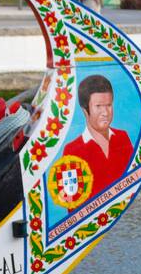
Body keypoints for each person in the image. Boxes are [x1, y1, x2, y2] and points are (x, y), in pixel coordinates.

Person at [52, 74, 133, 210]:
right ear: (85, 111)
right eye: (98, 106)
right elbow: (72, 204)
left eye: (108, 105)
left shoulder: (122, 137)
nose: (105, 112)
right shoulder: (72, 151)